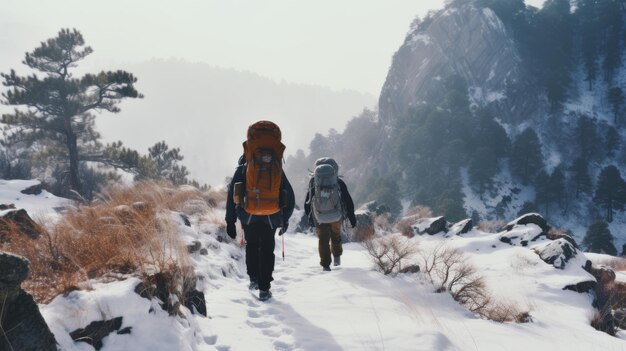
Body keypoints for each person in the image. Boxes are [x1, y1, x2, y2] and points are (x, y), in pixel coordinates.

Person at [225, 120, 295, 301]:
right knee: (267, 249)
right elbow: (288, 192)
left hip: (248, 215)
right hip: (271, 215)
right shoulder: (276, 165)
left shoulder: (244, 165)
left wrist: (230, 221)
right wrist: (285, 218)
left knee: (252, 246)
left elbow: (232, 192)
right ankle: (265, 288)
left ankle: (253, 279)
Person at [304, 157, 356, 271]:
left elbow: (308, 201)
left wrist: (309, 217)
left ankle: (325, 265)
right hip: (336, 215)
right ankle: (337, 259)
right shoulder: (338, 182)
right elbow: (347, 199)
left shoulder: (314, 182)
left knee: (323, 239)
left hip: (319, 215)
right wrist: (352, 217)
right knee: (336, 236)